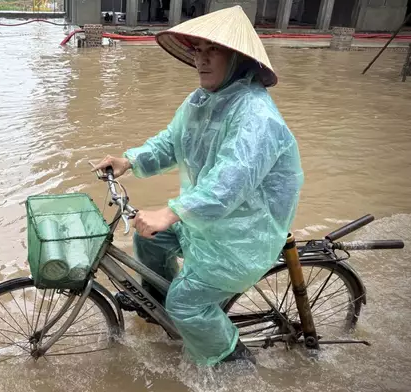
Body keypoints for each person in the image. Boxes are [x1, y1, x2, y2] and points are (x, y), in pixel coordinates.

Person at [92, 6, 304, 366]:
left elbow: (228, 185)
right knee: (149, 238)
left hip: (242, 236)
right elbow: (171, 142)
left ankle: (234, 363)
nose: (202, 62)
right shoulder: (201, 100)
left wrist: (170, 212)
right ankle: (160, 309)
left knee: (186, 302)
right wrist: (129, 160)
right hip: (208, 223)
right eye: (198, 52)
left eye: (213, 52)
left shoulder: (256, 117)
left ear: (236, 58)